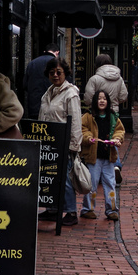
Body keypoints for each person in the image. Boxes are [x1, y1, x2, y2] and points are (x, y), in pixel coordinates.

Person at [39, 57, 83, 225]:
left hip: (63, 143)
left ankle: (71, 212)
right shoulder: (48, 93)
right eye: (52, 73)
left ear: (65, 73)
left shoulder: (71, 94)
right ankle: (52, 209)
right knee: (50, 175)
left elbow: (76, 121)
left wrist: (73, 145)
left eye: (59, 72)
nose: (55, 75)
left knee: (65, 178)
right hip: (49, 143)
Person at [80, 90, 125, 221]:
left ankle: (111, 210)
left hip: (108, 157)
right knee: (92, 184)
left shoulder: (113, 117)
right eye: (99, 98)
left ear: (108, 102)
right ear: (95, 101)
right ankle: (88, 209)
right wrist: (88, 138)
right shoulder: (88, 116)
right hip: (94, 157)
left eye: (104, 99)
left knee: (110, 183)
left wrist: (117, 139)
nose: (101, 101)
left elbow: (119, 131)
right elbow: (82, 129)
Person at [24, 49, 58, 120]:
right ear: (57, 52)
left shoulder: (32, 63)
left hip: (34, 105)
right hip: (52, 107)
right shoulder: (57, 64)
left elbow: (25, 85)